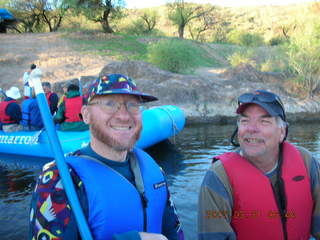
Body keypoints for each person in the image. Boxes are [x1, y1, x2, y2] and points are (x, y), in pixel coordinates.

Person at [29, 74, 184, 240]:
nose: (124, 116)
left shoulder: (153, 168)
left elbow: (174, 232)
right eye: (110, 104)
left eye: (133, 104)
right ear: (86, 115)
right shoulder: (60, 181)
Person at [198, 89, 320, 240]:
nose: (251, 129)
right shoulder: (218, 177)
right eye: (245, 121)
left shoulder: (306, 162)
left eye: (264, 121)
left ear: (282, 132)